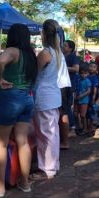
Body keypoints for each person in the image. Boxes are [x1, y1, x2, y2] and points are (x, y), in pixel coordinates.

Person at [0, 24, 37, 197]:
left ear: (12, 36)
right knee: (23, 141)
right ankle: (25, 183)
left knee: (0, 143)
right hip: (27, 98)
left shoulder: (12, 50)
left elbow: (0, 61)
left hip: (11, 99)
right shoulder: (30, 54)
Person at [31, 19, 62, 181]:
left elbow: (34, 74)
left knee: (45, 135)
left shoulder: (45, 53)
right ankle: (52, 165)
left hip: (44, 97)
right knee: (51, 134)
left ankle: (47, 168)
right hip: (52, 96)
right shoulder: (57, 52)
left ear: (43, 34)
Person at [63, 40, 79, 130]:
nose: (63, 46)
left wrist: (63, 67)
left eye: (65, 45)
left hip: (69, 84)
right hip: (63, 84)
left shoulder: (72, 57)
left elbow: (76, 69)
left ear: (70, 48)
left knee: (67, 106)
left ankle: (72, 126)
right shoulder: (62, 56)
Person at [74, 64, 91, 135]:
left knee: (83, 115)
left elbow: (88, 91)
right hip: (77, 99)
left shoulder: (87, 81)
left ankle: (85, 129)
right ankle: (78, 127)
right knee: (75, 113)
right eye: (82, 73)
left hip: (84, 100)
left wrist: (81, 96)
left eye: (85, 73)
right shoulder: (78, 80)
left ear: (87, 73)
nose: (83, 75)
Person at [87, 61, 99, 129]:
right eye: (91, 66)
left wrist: (94, 97)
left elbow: (95, 87)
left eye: (94, 67)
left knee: (93, 110)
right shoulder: (87, 76)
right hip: (87, 96)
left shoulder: (95, 77)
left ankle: (94, 125)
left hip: (93, 96)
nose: (92, 68)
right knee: (88, 111)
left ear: (96, 69)